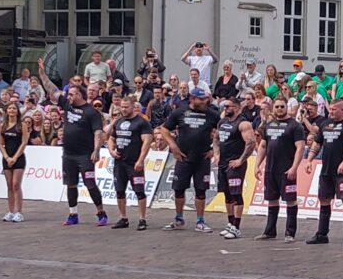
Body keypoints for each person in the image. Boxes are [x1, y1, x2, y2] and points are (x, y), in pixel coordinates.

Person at [38, 57, 109, 226]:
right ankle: (73, 214)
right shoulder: (67, 104)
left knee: (90, 183)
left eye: (71, 94)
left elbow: (98, 132)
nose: (67, 96)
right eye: (68, 94)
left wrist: (96, 150)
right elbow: (52, 89)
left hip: (85, 155)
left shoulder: (91, 112)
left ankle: (100, 212)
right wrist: (42, 72)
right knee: (70, 185)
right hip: (68, 154)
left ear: (79, 94)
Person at [158, 87, 221, 232]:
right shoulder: (179, 111)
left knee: (201, 190)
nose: (205, 101)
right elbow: (164, 129)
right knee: (179, 189)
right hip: (183, 157)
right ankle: (179, 218)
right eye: (201, 99)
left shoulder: (212, 114)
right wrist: (173, 146)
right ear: (192, 99)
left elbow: (225, 130)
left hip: (202, 158)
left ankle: (200, 221)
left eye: (206, 98)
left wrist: (215, 150)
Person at [305, 98, 343, 248]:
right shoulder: (325, 124)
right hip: (326, 170)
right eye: (329, 109)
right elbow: (317, 143)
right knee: (324, 200)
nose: (330, 112)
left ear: (342, 109)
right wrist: (309, 159)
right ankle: (322, 234)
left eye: (333, 109)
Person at [255, 98, 306, 242]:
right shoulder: (269, 125)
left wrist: (294, 167)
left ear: (287, 107)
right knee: (271, 200)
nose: (279, 109)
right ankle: (270, 231)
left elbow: (300, 148)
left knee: (290, 201)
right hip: (270, 170)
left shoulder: (295, 126)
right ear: (273, 108)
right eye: (276, 106)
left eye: (282, 106)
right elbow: (263, 146)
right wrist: (257, 165)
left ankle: (290, 233)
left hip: (287, 171)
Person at [105, 96, 153, 230]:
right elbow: (111, 138)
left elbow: (147, 142)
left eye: (126, 107)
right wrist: (111, 150)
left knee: (139, 191)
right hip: (119, 163)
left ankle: (142, 219)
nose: (124, 109)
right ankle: (123, 218)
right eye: (122, 107)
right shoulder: (118, 121)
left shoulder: (142, 122)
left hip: (134, 163)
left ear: (133, 107)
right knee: (119, 191)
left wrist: (141, 160)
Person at [215, 97, 256, 239]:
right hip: (223, 164)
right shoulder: (223, 122)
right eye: (225, 106)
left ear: (238, 107)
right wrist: (216, 154)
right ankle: (230, 223)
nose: (226, 108)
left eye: (229, 106)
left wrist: (241, 160)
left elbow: (251, 143)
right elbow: (216, 139)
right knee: (227, 195)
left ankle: (237, 227)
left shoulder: (243, 124)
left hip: (235, 165)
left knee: (236, 194)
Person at [0, 102, 30, 222]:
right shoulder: (3, 126)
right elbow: (1, 143)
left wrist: (15, 157)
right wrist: (7, 157)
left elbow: (24, 142)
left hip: (19, 158)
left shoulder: (22, 125)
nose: (12, 110)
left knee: (16, 184)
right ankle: (10, 211)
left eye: (14, 108)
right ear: (6, 111)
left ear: (17, 111)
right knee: (9, 185)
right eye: (10, 108)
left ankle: (19, 212)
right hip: (7, 158)